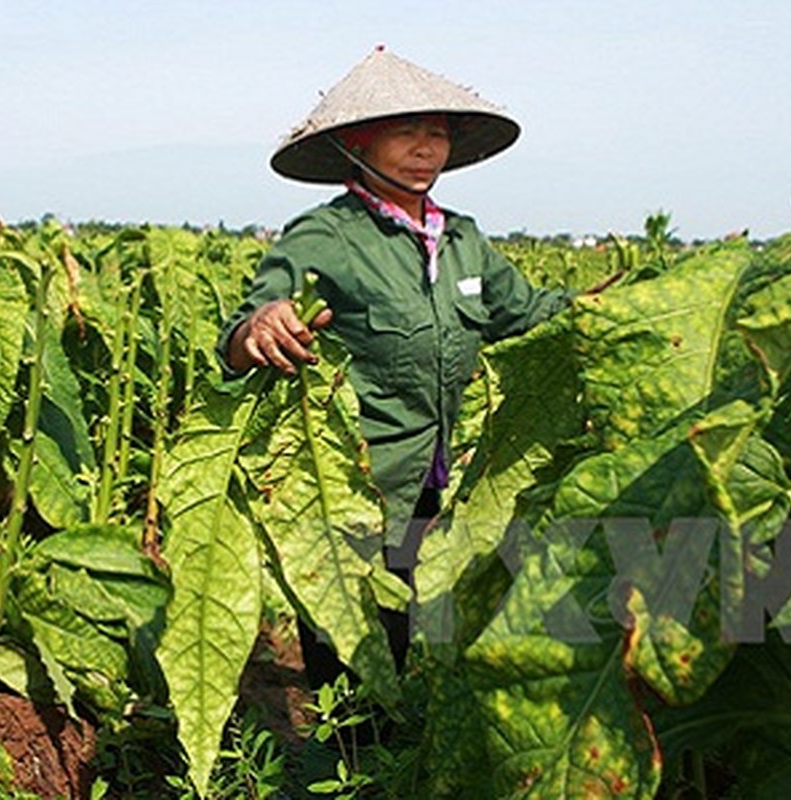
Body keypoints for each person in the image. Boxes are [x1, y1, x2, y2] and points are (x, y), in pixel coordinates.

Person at [217, 46, 571, 674]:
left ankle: (404, 766)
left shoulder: (464, 240)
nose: (426, 148)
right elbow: (246, 331)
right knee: (352, 658)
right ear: (358, 141)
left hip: (453, 487)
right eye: (406, 131)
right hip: (361, 489)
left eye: (437, 134)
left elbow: (527, 312)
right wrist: (259, 328)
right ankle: (341, 764)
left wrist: (619, 307)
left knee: (436, 650)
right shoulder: (326, 237)